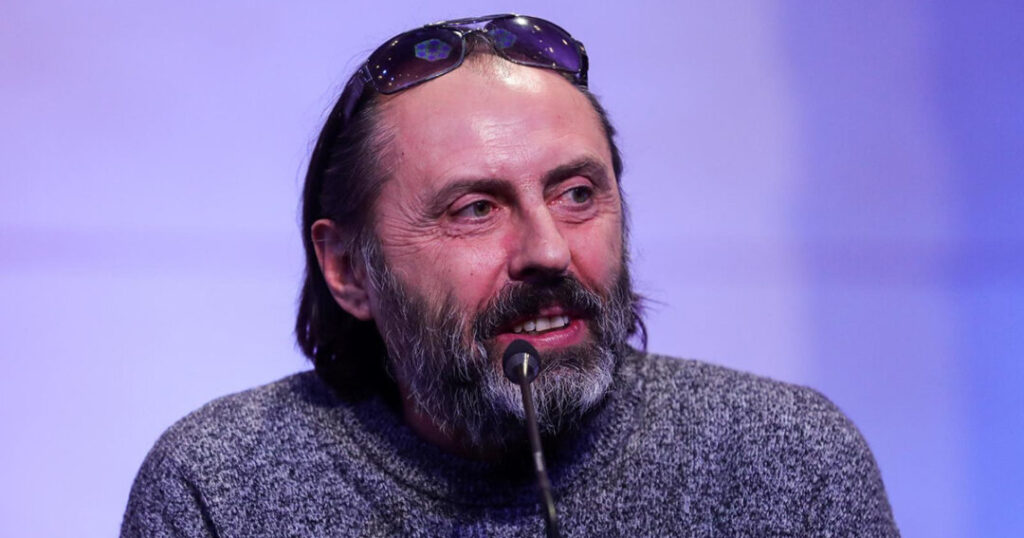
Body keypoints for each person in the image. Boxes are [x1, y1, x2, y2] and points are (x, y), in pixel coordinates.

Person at [122, 14, 899, 536]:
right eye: (475, 209)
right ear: (348, 269)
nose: (548, 251)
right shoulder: (220, 490)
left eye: (577, 194)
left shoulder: (783, 460)